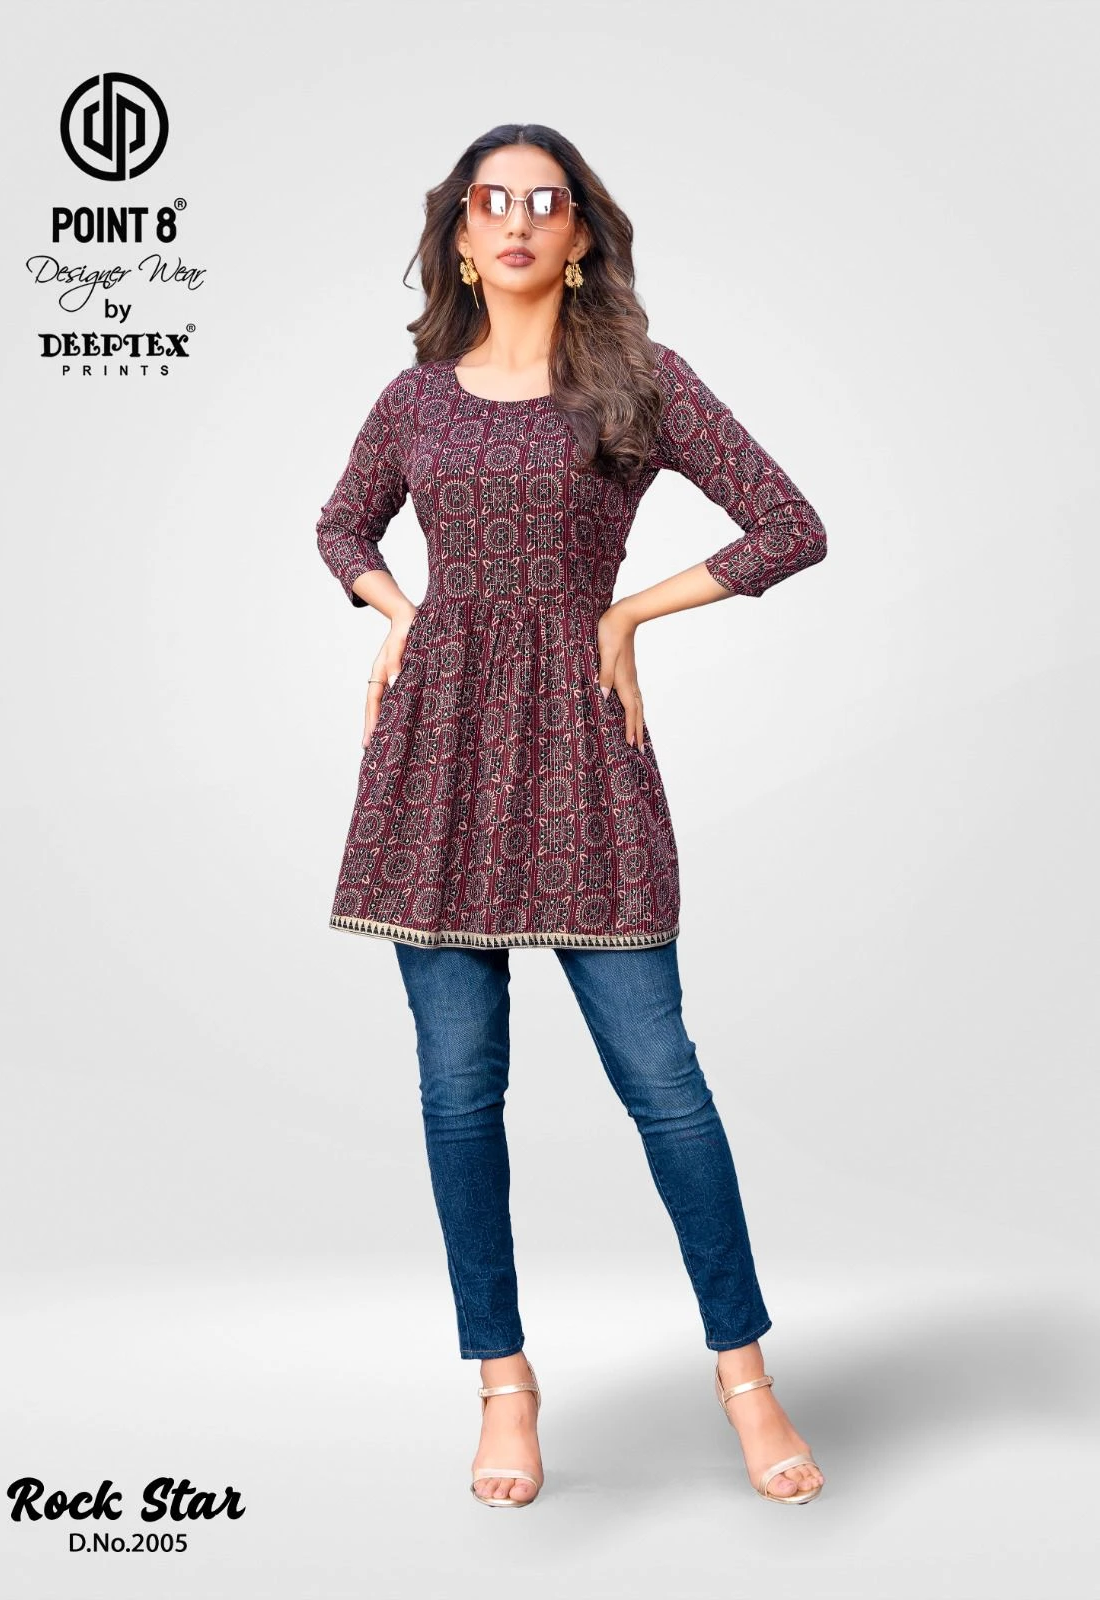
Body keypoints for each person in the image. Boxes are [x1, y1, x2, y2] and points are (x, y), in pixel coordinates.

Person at [315, 123, 828, 1509]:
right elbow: (343, 526)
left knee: (664, 1084)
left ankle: (747, 1380)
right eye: (492, 202)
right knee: (457, 1093)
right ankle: (504, 1384)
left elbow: (789, 525)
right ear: (459, 237)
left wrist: (629, 614)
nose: (519, 220)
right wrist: (397, 612)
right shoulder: (414, 399)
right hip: (438, 759)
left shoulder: (637, 382)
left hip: (583, 752)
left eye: (546, 201)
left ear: (581, 234)